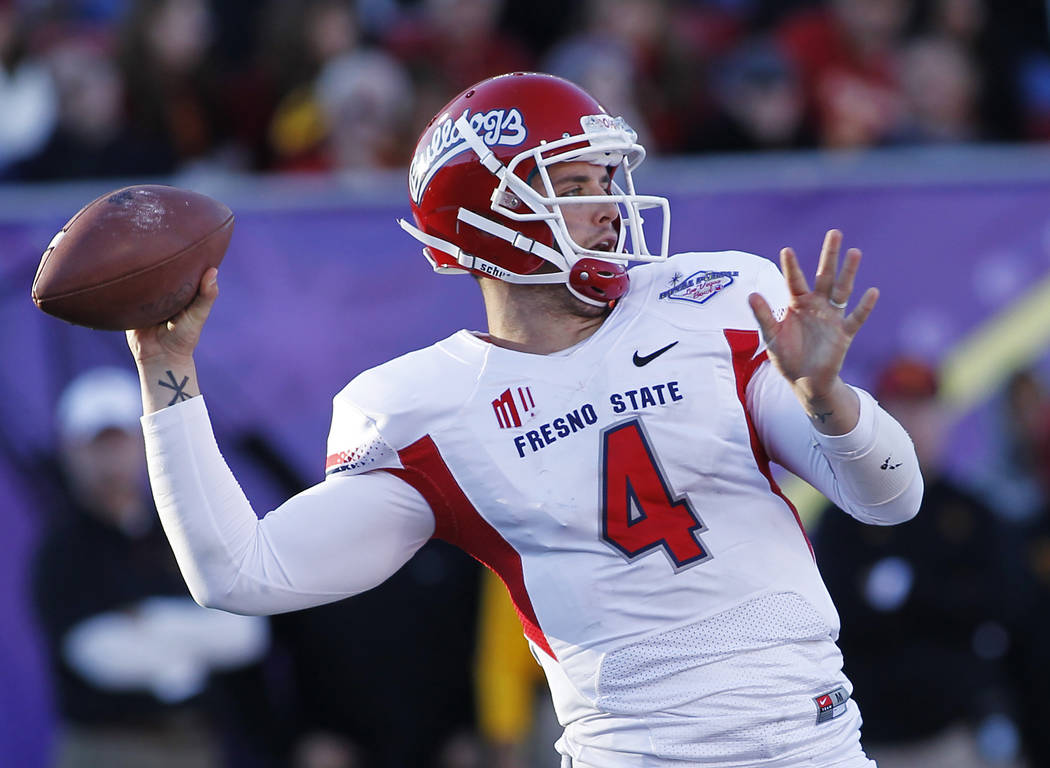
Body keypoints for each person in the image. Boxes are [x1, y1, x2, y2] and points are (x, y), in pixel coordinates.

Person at [124, 72, 922, 767]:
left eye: (605, 179)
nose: (608, 207)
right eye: (572, 187)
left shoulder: (712, 303)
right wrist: (169, 371)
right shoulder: (427, 408)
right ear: (483, 218)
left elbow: (891, 497)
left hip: (817, 745)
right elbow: (240, 573)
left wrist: (827, 399)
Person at [31, 367, 272, 768]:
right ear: (71, 452)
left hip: (195, 742)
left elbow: (244, 632)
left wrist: (152, 622)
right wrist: (196, 637)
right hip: (108, 749)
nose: (110, 459)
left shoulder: (181, 527)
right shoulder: (60, 551)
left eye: (120, 441)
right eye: (96, 445)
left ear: (143, 444)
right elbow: (97, 653)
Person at [811, 357, 1025, 768]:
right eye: (899, 412)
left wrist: (912, 592)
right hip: (871, 737)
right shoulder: (843, 516)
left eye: (923, 409)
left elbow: (1001, 604)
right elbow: (835, 616)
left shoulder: (972, 513)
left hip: (958, 731)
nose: (913, 424)